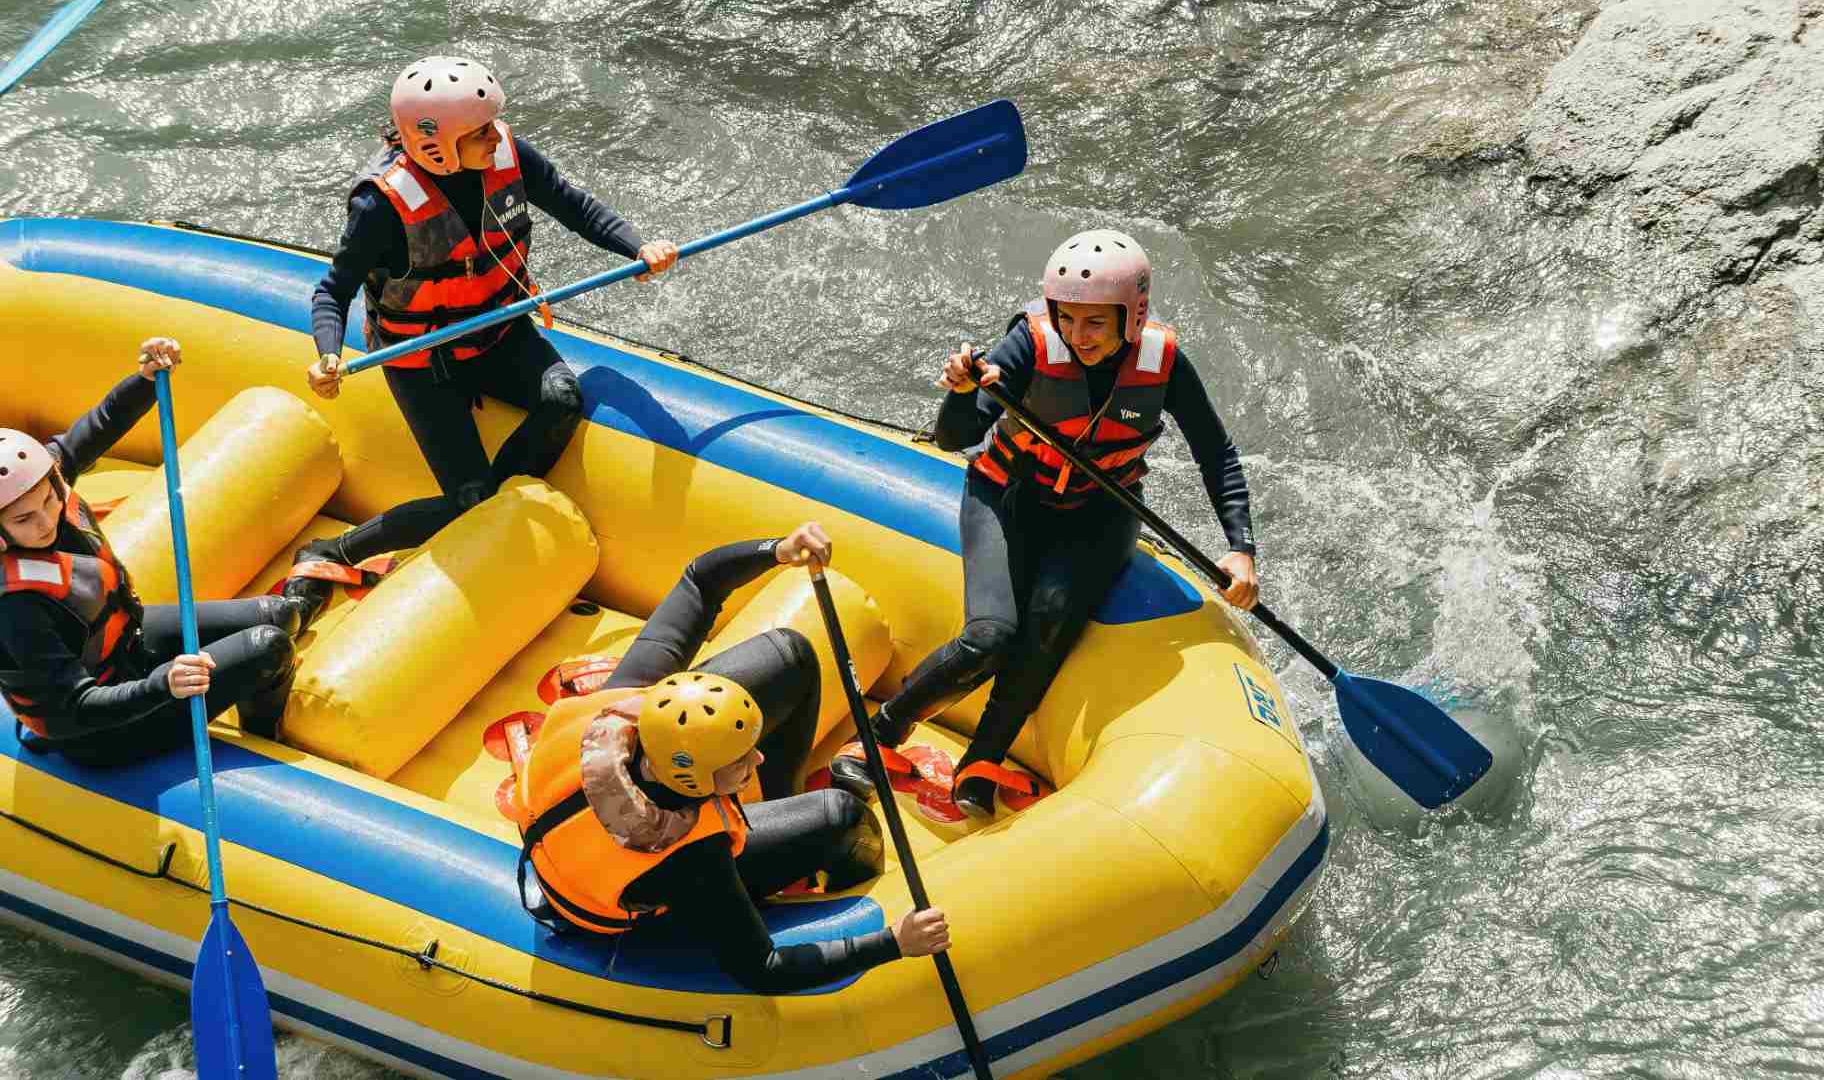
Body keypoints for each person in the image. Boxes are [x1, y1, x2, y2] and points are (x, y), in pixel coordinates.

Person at [831, 229, 1260, 818]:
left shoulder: (1163, 362)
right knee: (991, 636)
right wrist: (960, 392)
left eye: (1094, 324)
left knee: (1050, 623)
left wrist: (1240, 549)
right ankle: (880, 735)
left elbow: (1217, 454)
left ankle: (982, 760)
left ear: (1129, 318)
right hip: (1006, 495)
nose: (1078, 336)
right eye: (1067, 319)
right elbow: (956, 437)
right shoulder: (1029, 344)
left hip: (1100, 513)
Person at [290, 55, 679, 608]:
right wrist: (328, 355)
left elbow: (574, 205)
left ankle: (496, 509)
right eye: (479, 132)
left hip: (498, 331)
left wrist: (638, 246)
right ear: (436, 144)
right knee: (468, 496)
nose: (496, 137)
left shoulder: (507, 155)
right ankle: (337, 550)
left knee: (562, 397)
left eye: (493, 124)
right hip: (424, 363)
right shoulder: (380, 204)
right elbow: (333, 291)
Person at [515, 522, 951, 993]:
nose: (759, 760)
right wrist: (893, 943)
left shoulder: (619, 706)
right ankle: (809, 859)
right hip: (626, 895)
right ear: (695, 783)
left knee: (792, 654)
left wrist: (777, 550)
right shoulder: (692, 856)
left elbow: (699, 581)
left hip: (601, 808)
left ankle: (783, 808)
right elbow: (762, 969)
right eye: (741, 762)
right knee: (843, 816)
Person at [0, 338, 304, 764]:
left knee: (280, 613)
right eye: (23, 520)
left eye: (49, 502)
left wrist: (144, 381)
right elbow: (74, 710)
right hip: (104, 729)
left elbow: (100, 423)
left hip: (130, 644)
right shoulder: (16, 609)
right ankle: (264, 743)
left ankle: (248, 713)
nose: (46, 521)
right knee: (270, 645)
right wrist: (165, 684)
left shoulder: (37, 481)